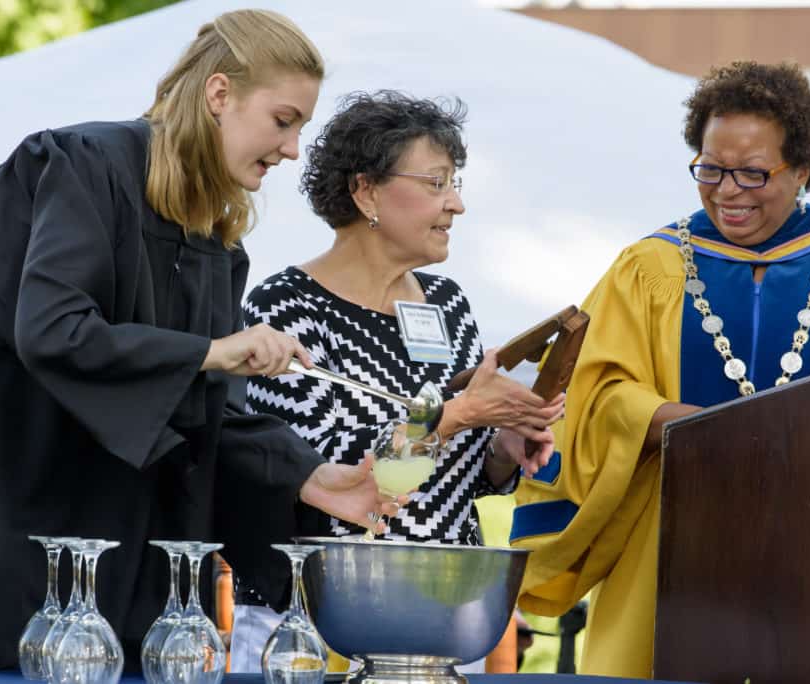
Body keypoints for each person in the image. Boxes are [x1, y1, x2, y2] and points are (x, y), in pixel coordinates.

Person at [0, 10, 401, 671]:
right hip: (15, 510)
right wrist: (212, 351)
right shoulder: (79, 165)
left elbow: (206, 409)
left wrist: (308, 476)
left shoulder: (216, 242)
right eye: (283, 120)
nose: (294, 149)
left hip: (128, 539)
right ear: (220, 95)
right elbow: (51, 328)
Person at [510, 61, 810, 677]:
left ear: (803, 171)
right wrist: (682, 425)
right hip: (667, 543)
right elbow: (589, 397)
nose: (727, 190)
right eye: (709, 168)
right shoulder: (649, 267)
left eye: (752, 172)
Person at [229, 90, 564, 671]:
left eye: (456, 183)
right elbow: (326, 474)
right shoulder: (288, 307)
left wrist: (504, 446)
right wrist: (458, 414)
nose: (456, 204)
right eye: (437, 184)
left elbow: (456, 478)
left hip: (443, 616)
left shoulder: (448, 304)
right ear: (365, 191)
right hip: (316, 624)